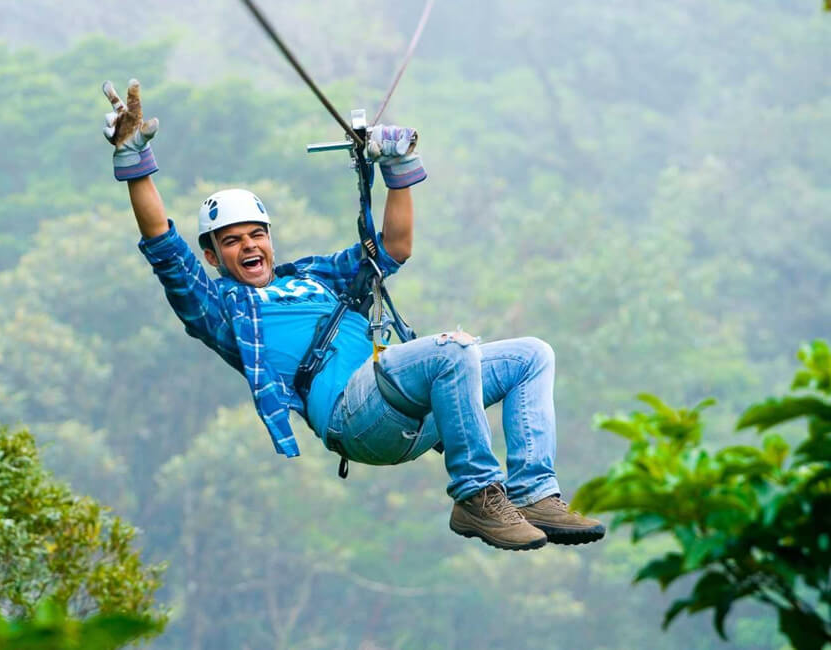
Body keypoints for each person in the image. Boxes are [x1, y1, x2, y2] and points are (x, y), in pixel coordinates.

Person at [102, 78, 604, 551]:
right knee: (454, 350)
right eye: (232, 241)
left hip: (409, 404)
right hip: (353, 413)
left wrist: (399, 167)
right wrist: (134, 157)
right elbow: (165, 250)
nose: (249, 246)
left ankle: (535, 493)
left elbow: (393, 248)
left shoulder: (316, 279)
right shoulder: (222, 310)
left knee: (532, 356)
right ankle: (476, 496)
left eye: (257, 234)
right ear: (213, 257)